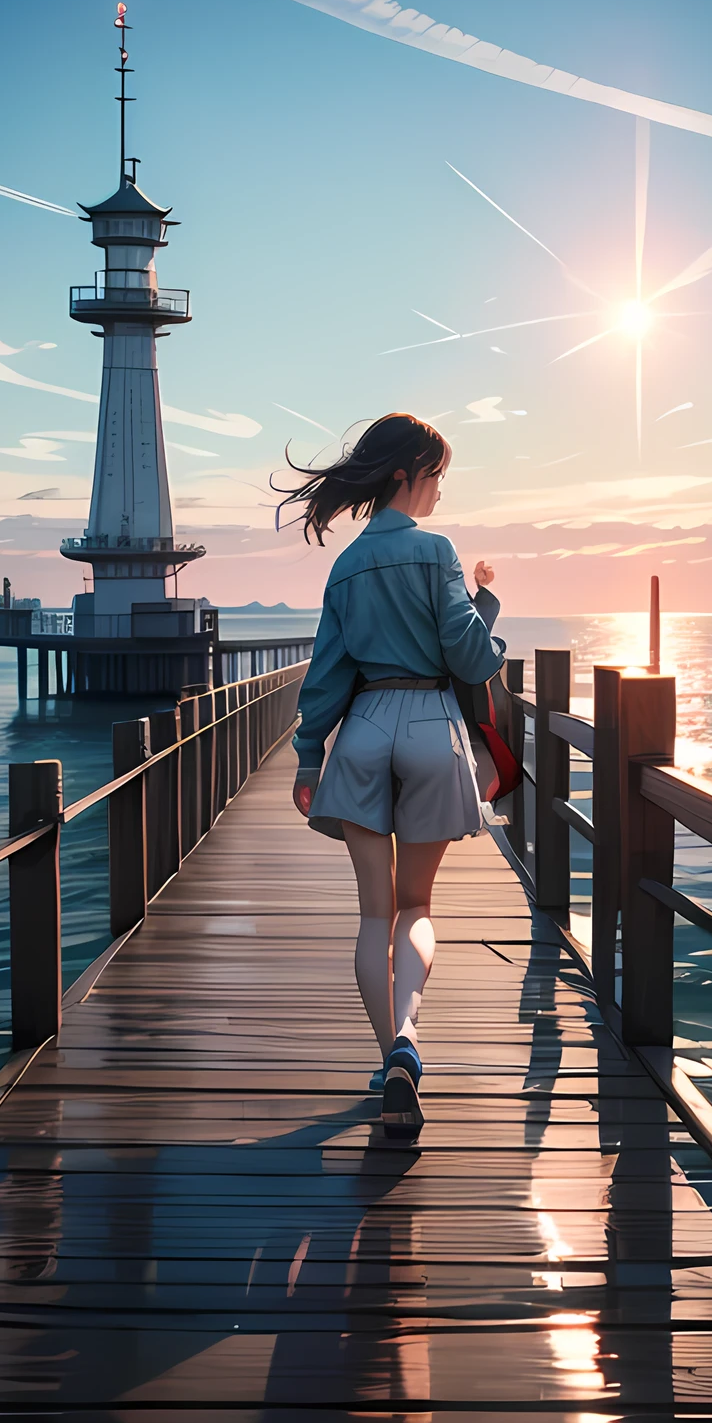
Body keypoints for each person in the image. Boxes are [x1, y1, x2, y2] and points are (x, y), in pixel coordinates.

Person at [276, 413, 505, 1138]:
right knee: (416, 908)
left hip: (366, 727)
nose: (440, 490)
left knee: (373, 914)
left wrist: (311, 756)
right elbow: (471, 659)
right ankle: (409, 1035)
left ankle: (391, 1056)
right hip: (432, 726)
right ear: (409, 471)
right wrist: (485, 601)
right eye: (437, 475)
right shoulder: (436, 550)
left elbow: (326, 674)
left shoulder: (345, 566)